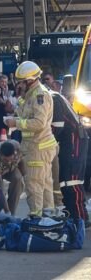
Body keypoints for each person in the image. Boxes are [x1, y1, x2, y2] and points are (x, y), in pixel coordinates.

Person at [5, 61, 57, 216]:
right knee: (45, 185)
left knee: (33, 185)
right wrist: (20, 98)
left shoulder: (39, 95)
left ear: (29, 81)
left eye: (20, 82)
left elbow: (39, 123)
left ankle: (36, 219)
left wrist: (16, 123)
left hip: (37, 148)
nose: (18, 85)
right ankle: (48, 219)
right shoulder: (30, 95)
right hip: (36, 147)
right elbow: (25, 113)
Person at [51, 91, 90, 227]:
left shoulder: (52, 99)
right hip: (69, 141)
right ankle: (72, 215)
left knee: (72, 181)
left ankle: (81, 218)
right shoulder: (53, 97)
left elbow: (57, 126)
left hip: (75, 141)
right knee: (65, 180)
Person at [0, 140, 25, 215]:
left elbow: (22, 161)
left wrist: (25, 176)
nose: (8, 162)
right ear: (1, 155)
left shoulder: (17, 148)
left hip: (11, 169)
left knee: (17, 178)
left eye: (10, 159)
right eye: (5, 160)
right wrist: (6, 210)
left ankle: (12, 214)